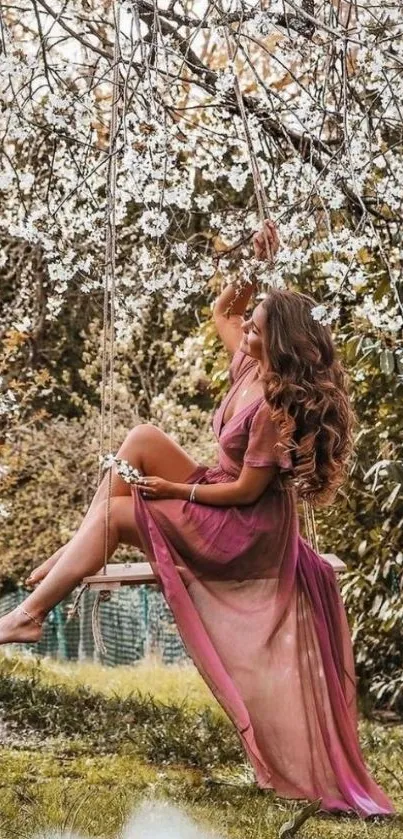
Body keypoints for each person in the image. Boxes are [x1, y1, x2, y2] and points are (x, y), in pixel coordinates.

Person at [0, 220, 396, 819]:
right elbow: (222, 305)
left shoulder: (270, 405)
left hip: (246, 533)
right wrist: (257, 262)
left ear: (271, 341)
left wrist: (172, 488)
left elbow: (244, 492)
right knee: (139, 437)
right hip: (220, 496)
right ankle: (73, 553)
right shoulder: (248, 366)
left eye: (256, 324)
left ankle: (29, 615)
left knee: (121, 509)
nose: (246, 324)